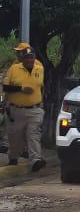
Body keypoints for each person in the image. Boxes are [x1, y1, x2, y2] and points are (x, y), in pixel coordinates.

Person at [3, 43, 46, 172]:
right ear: (23, 58)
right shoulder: (14, 69)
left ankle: (36, 160)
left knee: (33, 134)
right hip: (17, 110)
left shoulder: (39, 68)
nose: (29, 59)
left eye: (31, 57)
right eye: (26, 57)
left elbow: (41, 86)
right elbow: (5, 88)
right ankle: (13, 157)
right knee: (15, 137)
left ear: (34, 57)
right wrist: (21, 89)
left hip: (35, 110)